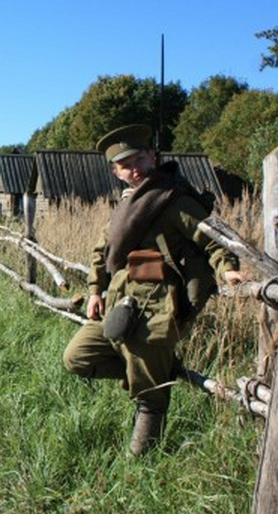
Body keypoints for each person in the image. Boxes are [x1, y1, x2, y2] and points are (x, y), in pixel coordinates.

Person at [62, 123, 244, 456]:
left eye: (139, 160)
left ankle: (141, 462)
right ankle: (156, 371)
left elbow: (212, 239)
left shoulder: (173, 199)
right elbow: (101, 254)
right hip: (120, 298)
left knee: (150, 396)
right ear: (116, 172)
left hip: (160, 305)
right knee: (77, 358)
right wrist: (94, 291)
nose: (134, 169)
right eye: (125, 165)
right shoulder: (126, 206)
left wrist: (228, 270)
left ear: (153, 157)